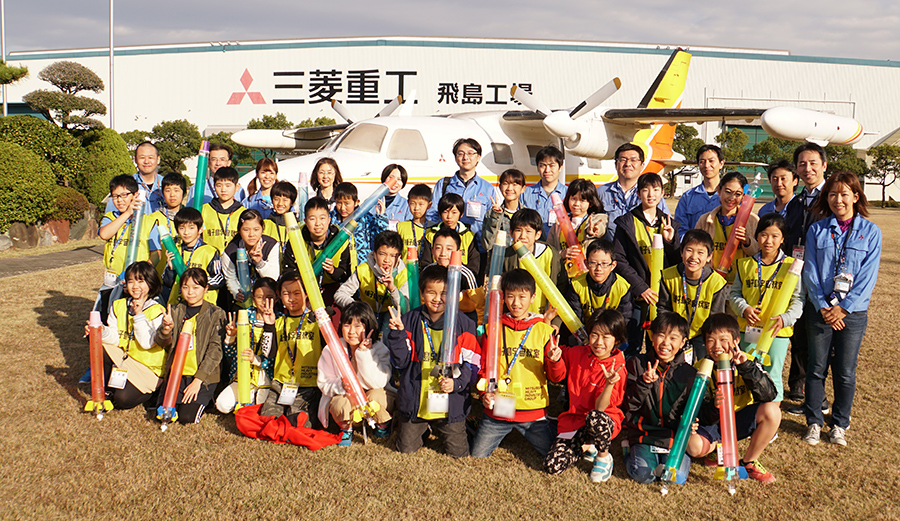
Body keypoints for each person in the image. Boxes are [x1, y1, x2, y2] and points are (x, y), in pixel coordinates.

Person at [800, 171, 881, 447]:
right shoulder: (817, 229)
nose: (839, 200)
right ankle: (813, 421)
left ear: (856, 197)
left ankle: (839, 425)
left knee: (845, 371)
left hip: (852, 314)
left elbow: (868, 277)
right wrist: (823, 306)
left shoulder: (871, 232)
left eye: (845, 194)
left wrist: (843, 309)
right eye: (833, 194)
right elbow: (809, 271)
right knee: (816, 368)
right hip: (819, 311)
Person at [385, 265, 480, 458]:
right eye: (431, 292)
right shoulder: (409, 320)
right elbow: (401, 362)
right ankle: (424, 428)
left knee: (459, 454)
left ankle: (461, 423)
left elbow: (473, 365)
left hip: (450, 405)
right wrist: (397, 334)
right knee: (405, 450)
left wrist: (457, 383)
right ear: (422, 293)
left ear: (454, 294)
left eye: (444, 293)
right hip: (416, 404)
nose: (437, 299)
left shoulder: (464, 324)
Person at [470, 269, 556, 459]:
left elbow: (556, 376)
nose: (516, 303)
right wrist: (485, 393)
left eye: (522, 297)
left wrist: (554, 360)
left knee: (553, 456)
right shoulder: (492, 327)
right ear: (503, 298)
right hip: (498, 410)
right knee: (476, 455)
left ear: (533, 297)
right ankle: (476, 423)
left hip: (532, 413)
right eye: (510, 296)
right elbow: (483, 365)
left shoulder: (543, 329)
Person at [687, 313, 780, 484]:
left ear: (736, 340)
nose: (717, 347)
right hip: (713, 422)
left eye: (724, 340)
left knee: (772, 411)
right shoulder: (699, 368)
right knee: (694, 447)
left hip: (738, 419)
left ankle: (749, 462)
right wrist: (714, 406)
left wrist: (746, 368)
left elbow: (769, 395)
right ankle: (716, 449)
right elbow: (700, 411)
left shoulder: (749, 361)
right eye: (710, 340)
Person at [544, 309, 627, 483]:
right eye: (594, 335)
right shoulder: (576, 353)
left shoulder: (617, 368)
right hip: (575, 421)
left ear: (617, 340)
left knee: (595, 417)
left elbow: (601, 408)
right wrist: (555, 360)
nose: (598, 342)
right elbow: (556, 376)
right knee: (553, 465)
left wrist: (610, 384)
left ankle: (603, 457)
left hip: (602, 421)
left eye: (606, 337)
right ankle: (587, 447)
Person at [728, 213, 803, 402]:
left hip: (777, 331)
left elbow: (798, 300)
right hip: (750, 329)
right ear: (756, 235)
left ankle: (771, 420)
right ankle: (750, 418)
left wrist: (785, 319)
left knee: (772, 373)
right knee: (748, 370)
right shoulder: (745, 264)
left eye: (775, 236)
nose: (768, 240)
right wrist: (744, 308)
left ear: (783, 239)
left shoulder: (791, 266)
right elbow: (735, 293)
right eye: (763, 234)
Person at [622, 312, 697, 484]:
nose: (666, 343)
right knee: (644, 476)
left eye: (673, 338)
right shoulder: (637, 363)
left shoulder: (689, 374)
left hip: (673, 438)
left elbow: (699, 411)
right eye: (661, 335)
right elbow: (628, 405)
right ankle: (628, 453)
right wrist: (644, 382)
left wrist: (712, 408)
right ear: (652, 336)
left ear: (683, 342)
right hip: (644, 435)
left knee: (675, 479)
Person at [612, 172, 679, 351]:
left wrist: (670, 242)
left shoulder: (669, 223)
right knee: (630, 344)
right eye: (645, 190)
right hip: (634, 296)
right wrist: (640, 287)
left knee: (657, 345)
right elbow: (619, 258)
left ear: (662, 192)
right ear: (638, 194)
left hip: (661, 297)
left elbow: (676, 261)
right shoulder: (627, 222)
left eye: (655, 189)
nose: (651, 194)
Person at [783, 143, 828, 403]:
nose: (807, 168)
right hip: (794, 276)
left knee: (819, 337)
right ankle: (797, 385)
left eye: (813, 163)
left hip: (820, 278)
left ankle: (817, 390)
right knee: (798, 333)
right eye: (802, 164)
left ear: (823, 165)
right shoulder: (796, 202)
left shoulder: (832, 199)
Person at [87, 261, 166, 410]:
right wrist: (100, 331)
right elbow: (115, 338)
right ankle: (107, 390)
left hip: (149, 367)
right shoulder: (119, 305)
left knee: (122, 400)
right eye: (131, 281)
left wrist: (139, 315)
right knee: (99, 343)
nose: (135, 286)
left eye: (141, 281)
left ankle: (156, 388)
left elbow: (147, 343)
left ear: (151, 283)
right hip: (126, 359)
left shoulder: (157, 311)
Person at [317, 301, 395, 446]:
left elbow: (378, 382)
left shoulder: (379, 348)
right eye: (347, 325)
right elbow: (324, 381)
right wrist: (341, 386)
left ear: (369, 326)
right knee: (340, 403)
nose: (351, 331)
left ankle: (382, 424)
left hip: (372, 398)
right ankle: (346, 428)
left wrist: (365, 353)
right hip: (349, 401)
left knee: (377, 395)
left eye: (358, 326)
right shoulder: (331, 349)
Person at [155, 268, 226, 425]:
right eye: (185, 287)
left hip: (202, 376)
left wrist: (198, 380)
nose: (190, 292)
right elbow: (161, 342)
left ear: (206, 288)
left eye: (196, 287)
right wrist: (166, 330)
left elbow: (215, 350)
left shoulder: (216, 313)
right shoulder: (174, 310)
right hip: (177, 375)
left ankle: (207, 400)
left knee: (187, 418)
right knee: (164, 414)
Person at [255, 272, 323, 426]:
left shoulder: (316, 322)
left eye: (296, 293)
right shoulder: (278, 322)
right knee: (268, 420)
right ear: (279, 295)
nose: (291, 298)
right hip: (280, 384)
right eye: (286, 294)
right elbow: (269, 353)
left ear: (306, 294)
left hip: (308, 385)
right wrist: (269, 326)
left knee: (300, 424)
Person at [658, 229, 728, 361]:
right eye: (689, 250)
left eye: (700, 252)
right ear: (681, 252)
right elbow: (663, 309)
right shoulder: (668, 276)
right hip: (674, 333)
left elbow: (716, 317)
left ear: (709, 257)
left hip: (702, 336)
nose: (694, 257)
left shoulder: (716, 283)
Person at [215, 277, 277, 413]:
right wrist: (231, 336)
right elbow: (231, 354)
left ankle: (251, 403)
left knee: (264, 409)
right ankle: (246, 402)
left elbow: (276, 357)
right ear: (253, 299)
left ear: (276, 298)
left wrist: (255, 359)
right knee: (222, 404)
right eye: (260, 297)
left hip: (266, 377)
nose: (265, 302)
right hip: (243, 375)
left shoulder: (279, 320)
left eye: (269, 297)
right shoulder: (245, 316)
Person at [96, 174, 150, 323]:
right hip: (113, 281)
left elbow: (155, 253)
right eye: (115, 196)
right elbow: (104, 234)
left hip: (137, 282)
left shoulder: (146, 220)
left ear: (135, 195)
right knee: (108, 317)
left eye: (124, 195)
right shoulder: (111, 217)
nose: (119, 200)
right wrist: (127, 214)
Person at [282, 197, 354, 307]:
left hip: (331, 291)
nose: (318, 223)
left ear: (329, 220)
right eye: (312, 219)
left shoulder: (340, 239)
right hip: (302, 290)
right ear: (305, 221)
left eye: (322, 218)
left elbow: (345, 274)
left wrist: (332, 271)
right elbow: (289, 271)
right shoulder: (296, 238)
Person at [334, 231, 409, 336]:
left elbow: (405, 308)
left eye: (392, 256)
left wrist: (392, 289)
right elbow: (340, 294)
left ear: (399, 257)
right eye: (382, 254)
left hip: (390, 315)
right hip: (367, 314)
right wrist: (357, 307)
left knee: (394, 316)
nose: (387, 260)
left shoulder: (403, 273)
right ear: (374, 254)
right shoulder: (363, 269)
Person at [694, 171, 760, 286]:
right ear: (719, 191)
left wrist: (747, 241)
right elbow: (695, 249)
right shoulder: (705, 220)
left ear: (744, 196)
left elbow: (760, 254)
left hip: (742, 285)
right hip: (712, 283)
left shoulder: (752, 221)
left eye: (738, 194)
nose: (731, 198)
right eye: (728, 192)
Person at [426, 138, 495, 242]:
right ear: (455, 157)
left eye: (470, 153)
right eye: (460, 153)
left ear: (478, 157)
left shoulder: (487, 188)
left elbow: (491, 221)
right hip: (448, 245)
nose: (465, 157)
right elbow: (432, 214)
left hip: (476, 248)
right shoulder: (444, 184)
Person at [597, 143, 669, 240]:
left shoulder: (652, 196)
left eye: (633, 160)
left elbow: (666, 223)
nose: (628, 164)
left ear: (642, 165)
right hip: (610, 252)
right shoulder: (601, 193)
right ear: (616, 164)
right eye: (623, 160)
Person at [500, 208, 561, 315]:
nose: (523, 236)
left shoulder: (550, 253)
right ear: (511, 233)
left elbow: (561, 287)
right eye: (518, 230)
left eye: (528, 231)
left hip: (544, 319)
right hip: (515, 318)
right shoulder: (506, 256)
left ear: (537, 235)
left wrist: (555, 322)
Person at [564, 239, 633, 333]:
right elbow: (575, 320)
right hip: (584, 337)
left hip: (611, 336)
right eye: (593, 263)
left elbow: (624, 320)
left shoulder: (622, 287)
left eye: (604, 264)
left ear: (613, 265)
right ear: (586, 264)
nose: (598, 269)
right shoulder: (576, 285)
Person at [161, 207, 223, 307]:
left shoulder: (209, 251)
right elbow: (167, 282)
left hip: (203, 307)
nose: (186, 232)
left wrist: (196, 283)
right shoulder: (175, 250)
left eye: (191, 228)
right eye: (181, 228)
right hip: (178, 305)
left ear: (200, 229)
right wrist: (171, 269)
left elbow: (219, 278)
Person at [221, 209, 280, 310]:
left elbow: (273, 278)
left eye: (256, 229)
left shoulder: (271, 245)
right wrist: (236, 292)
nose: (251, 234)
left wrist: (260, 263)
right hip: (242, 304)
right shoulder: (230, 251)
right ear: (239, 230)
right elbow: (230, 277)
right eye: (246, 230)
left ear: (262, 229)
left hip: (267, 303)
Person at [420, 192, 480, 277]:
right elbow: (426, 262)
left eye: (454, 212)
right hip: (436, 278)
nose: (449, 216)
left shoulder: (469, 236)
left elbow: (474, 266)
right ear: (440, 214)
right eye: (445, 212)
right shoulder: (431, 235)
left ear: (461, 214)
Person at [673, 144, 725, 240]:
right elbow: (680, 230)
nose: (706, 165)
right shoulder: (687, 197)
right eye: (702, 161)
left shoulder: (729, 196)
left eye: (711, 161)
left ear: (721, 164)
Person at [548, 178, 607, 259]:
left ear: (590, 203)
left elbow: (601, 228)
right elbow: (549, 250)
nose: (576, 204)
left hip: (586, 270)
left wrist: (593, 231)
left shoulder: (595, 220)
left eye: (582, 200)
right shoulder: (558, 224)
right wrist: (562, 254)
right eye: (573, 199)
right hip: (564, 270)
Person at [332, 182, 389, 266]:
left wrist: (381, 217)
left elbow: (382, 237)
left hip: (361, 268)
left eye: (346, 203)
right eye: (339, 203)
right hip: (337, 269)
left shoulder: (366, 219)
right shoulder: (331, 219)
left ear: (356, 202)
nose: (342, 207)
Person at [104, 141, 165, 214]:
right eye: (142, 157)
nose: (146, 161)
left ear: (158, 160)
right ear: (135, 160)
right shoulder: (124, 184)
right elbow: (111, 217)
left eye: (150, 157)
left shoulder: (166, 184)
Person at [146, 172, 187, 280]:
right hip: (161, 278)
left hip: (186, 276)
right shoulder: (153, 219)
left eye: (176, 190)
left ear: (184, 193)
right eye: (168, 190)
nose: (172, 195)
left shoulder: (190, 218)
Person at [520, 145, 568, 237]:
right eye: (543, 165)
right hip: (532, 245)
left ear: (560, 167)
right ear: (537, 167)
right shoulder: (525, 193)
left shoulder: (568, 194)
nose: (547, 170)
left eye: (552, 165)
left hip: (559, 246)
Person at [201, 166, 245, 254]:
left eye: (228, 185)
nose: (223, 190)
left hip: (233, 260)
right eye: (219, 185)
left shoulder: (243, 213)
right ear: (214, 186)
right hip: (208, 259)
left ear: (237, 187)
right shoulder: (204, 210)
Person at [188, 143, 246, 207]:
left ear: (229, 162)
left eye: (222, 159)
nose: (218, 163)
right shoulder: (196, 188)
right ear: (208, 162)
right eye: (214, 159)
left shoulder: (238, 190)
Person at [481, 168, 526, 251]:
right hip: (499, 262)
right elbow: (487, 245)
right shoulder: (491, 214)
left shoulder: (528, 215)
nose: (509, 188)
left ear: (523, 188)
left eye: (515, 184)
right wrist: (495, 217)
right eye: (505, 183)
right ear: (500, 187)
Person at [262, 180, 298, 261]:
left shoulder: (298, 225)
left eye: (285, 200)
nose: (280, 203)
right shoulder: (265, 224)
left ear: (292, 202)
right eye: (276, 199)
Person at [397, 183, 432, 262]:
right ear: (408, 202)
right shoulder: (400, 227)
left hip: (427, 272)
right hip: (405, 272)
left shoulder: (433, 228)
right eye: (413, 203)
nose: (416, 208)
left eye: (421, 204)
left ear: (429, 205)